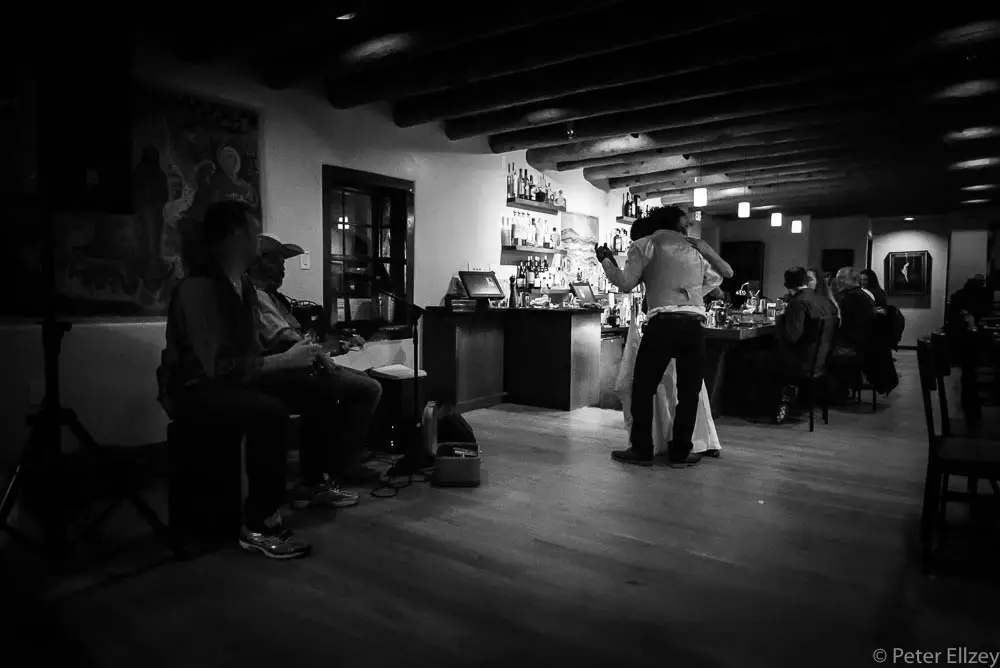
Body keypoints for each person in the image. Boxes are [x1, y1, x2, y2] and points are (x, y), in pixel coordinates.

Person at [156, 202, 320, 559]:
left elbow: (248, 353)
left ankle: (314, 484)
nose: (258, 240)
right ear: (234, 237)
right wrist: (282, 361)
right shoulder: (198, 287)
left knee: (313, 387)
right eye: (253, 232)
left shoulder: (242, 286)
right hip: (193, 389)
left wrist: (294, 360)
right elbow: (217, 367)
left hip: (228, 382)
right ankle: (259, 523)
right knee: (269, 413)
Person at [596, 205, 731, 468]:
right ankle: (680, 453)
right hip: (694, 323)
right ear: (676, 224)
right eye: (686, 223)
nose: (688, 227)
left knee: (643, 387)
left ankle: (642, 450)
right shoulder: (696, 249)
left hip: (664, 322)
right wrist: (690, 295)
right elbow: (718, 278)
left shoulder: (645, 244)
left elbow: (625, 283)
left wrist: (606, 261)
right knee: (689, 390)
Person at [247, 232, 382, 484]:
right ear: (258, 262)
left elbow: (299, 340)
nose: (283, 269)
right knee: (368, 388)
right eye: (277, 262)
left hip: (299, 366)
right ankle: (343, 464)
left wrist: (335, 346)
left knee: (363, 381)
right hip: (282, 373)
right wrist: (324, 356)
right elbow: (286, 339)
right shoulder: (256, 296)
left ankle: (341, 456)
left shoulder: (273, 297)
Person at [767, 267, 839, 422]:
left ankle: (770, 406)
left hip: (802, 363)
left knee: (756, 358)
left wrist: (780, 322)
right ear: (806, 281)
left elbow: (792, 336)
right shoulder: (826, 301)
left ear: (787, 285)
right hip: (821, 361)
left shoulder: (798, 302)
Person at [833, 267, 876, 358]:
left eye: (840, 278)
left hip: (852, 346)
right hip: (866, 342)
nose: (837, 282)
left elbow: (846, 323)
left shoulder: (850, 297)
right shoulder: (864, 294)